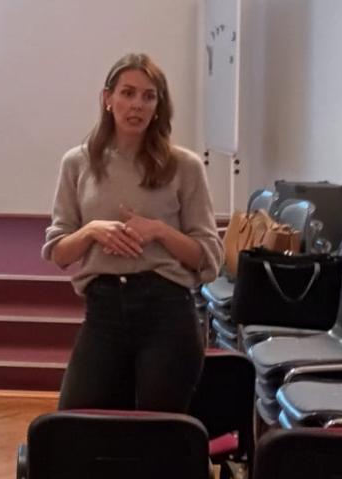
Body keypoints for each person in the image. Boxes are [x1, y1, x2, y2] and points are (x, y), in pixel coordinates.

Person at [42, 53, 223, 412]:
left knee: (158, 431)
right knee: (74, 423)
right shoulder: (77, 162)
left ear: (158, 107)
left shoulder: (184, 166)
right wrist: (92, 231)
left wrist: (158, 231)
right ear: (107, 99)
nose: (137, 105)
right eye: (127, 93)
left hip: (167, 310)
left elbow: (209, 258)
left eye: (148, 96)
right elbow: (59, 253)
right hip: (104, 310)